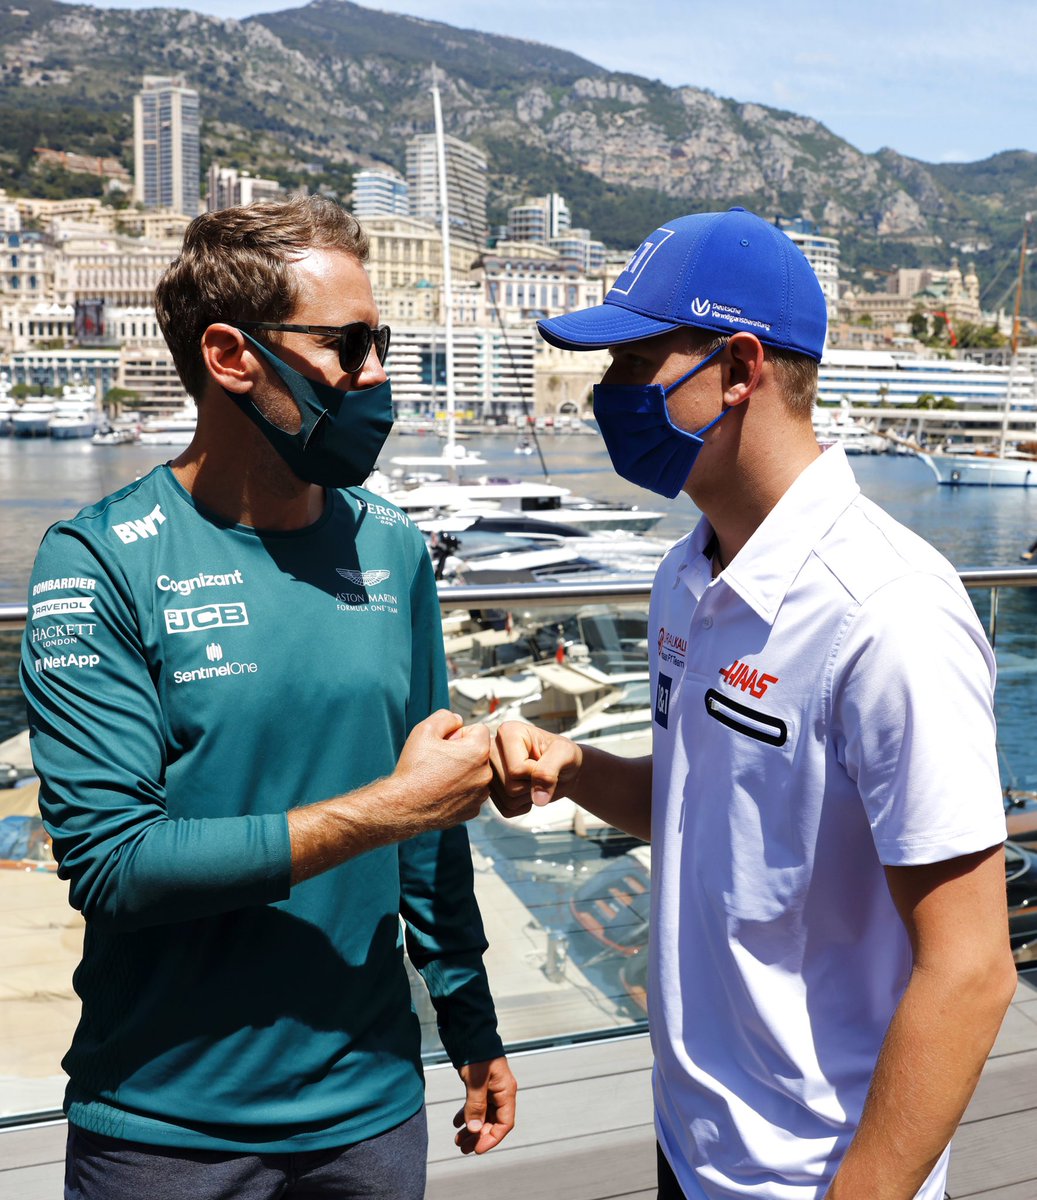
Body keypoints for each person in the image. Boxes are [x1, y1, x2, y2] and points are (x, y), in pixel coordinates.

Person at [492, 207, 1015, 1200]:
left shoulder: (889, 615)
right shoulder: (685, 576)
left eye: (631, 363)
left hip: (816, 1174)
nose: (606, 395)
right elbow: (706, 802)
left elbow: (971, 969)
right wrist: (574, 767)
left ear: (737, 369)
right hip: (689, 1142)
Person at [21, 195, 516, 1200]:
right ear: (231, 355)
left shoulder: (390, 546)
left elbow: (429, 826)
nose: (375, 376)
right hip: (161, 1126)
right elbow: (113, 864)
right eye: (346, 345)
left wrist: (470, 1022)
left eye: (380, 343)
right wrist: (390, 808)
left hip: (371, 1111)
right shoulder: (99, 561)